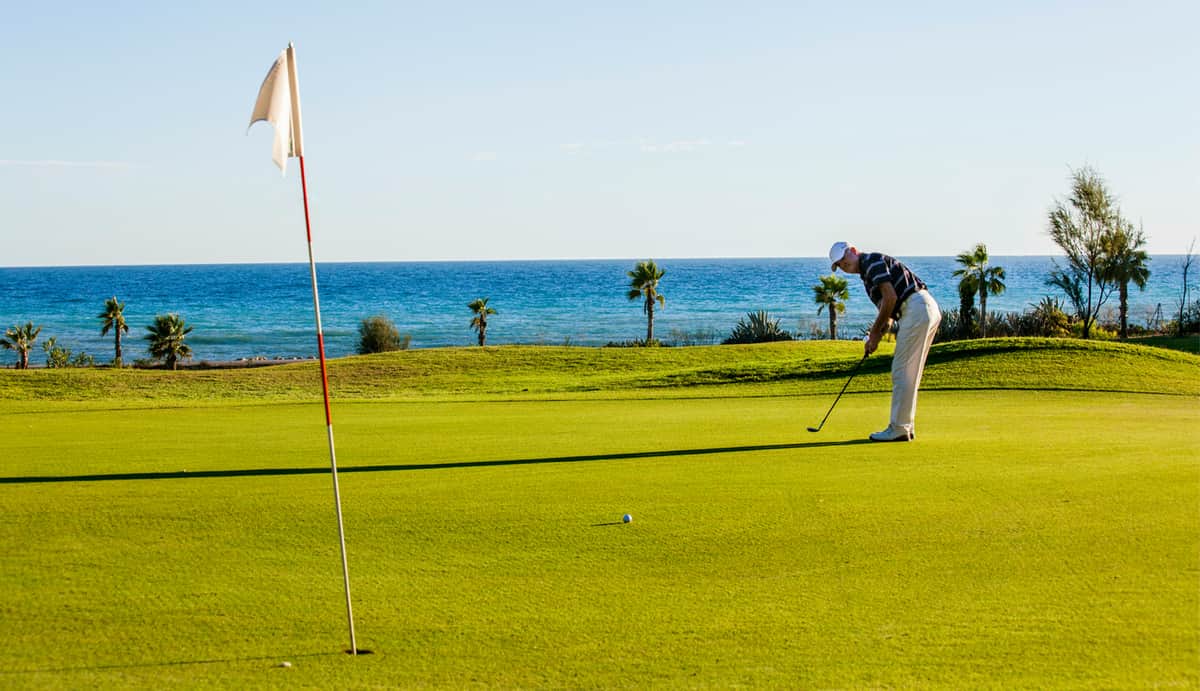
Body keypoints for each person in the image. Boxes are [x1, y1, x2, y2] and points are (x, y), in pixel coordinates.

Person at [829, 242, 941, 442]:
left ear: (853, 251)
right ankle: (905, 426)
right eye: (841, 266)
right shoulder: (868, 279)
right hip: (924, 308)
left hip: (915, 308)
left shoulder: (871, 261)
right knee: (909, 372)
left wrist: (873, 333)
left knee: (902, 372)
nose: (845, 267)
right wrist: (876, 338)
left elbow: (890, 297)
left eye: (845, 261)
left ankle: (899, 428)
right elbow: (887, 314)